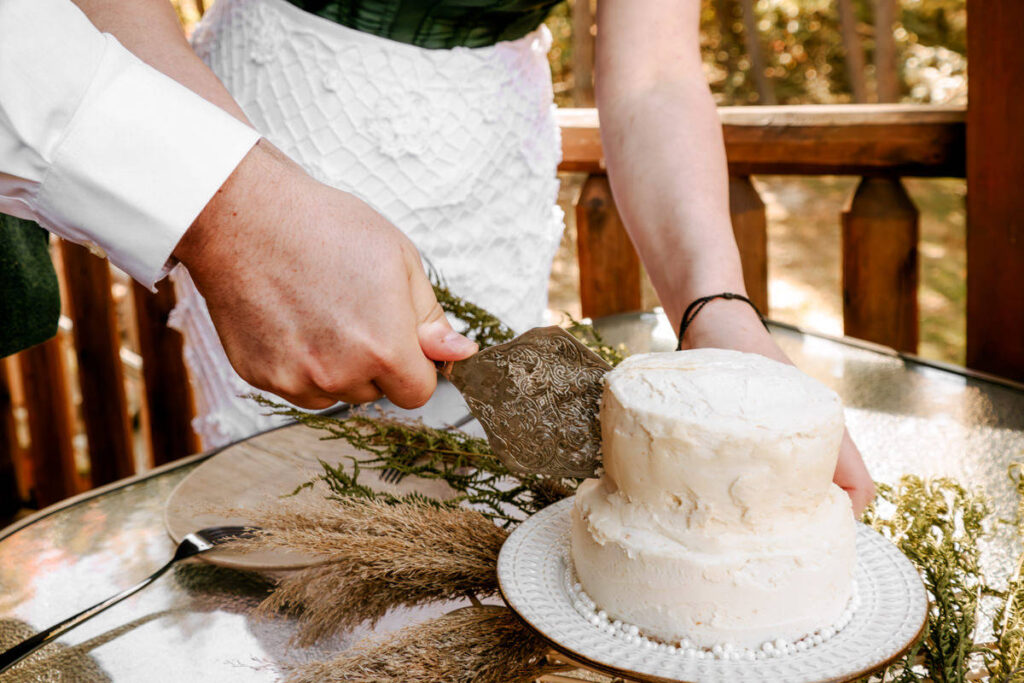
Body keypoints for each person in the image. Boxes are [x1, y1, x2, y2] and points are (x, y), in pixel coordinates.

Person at [0, 0, 873, 514]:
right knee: (295, 526)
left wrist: (714, 306)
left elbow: (653, 69)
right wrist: (239, 204)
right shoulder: (236, 182)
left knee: (471, 518)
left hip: (495, 158)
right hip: (260, 129)